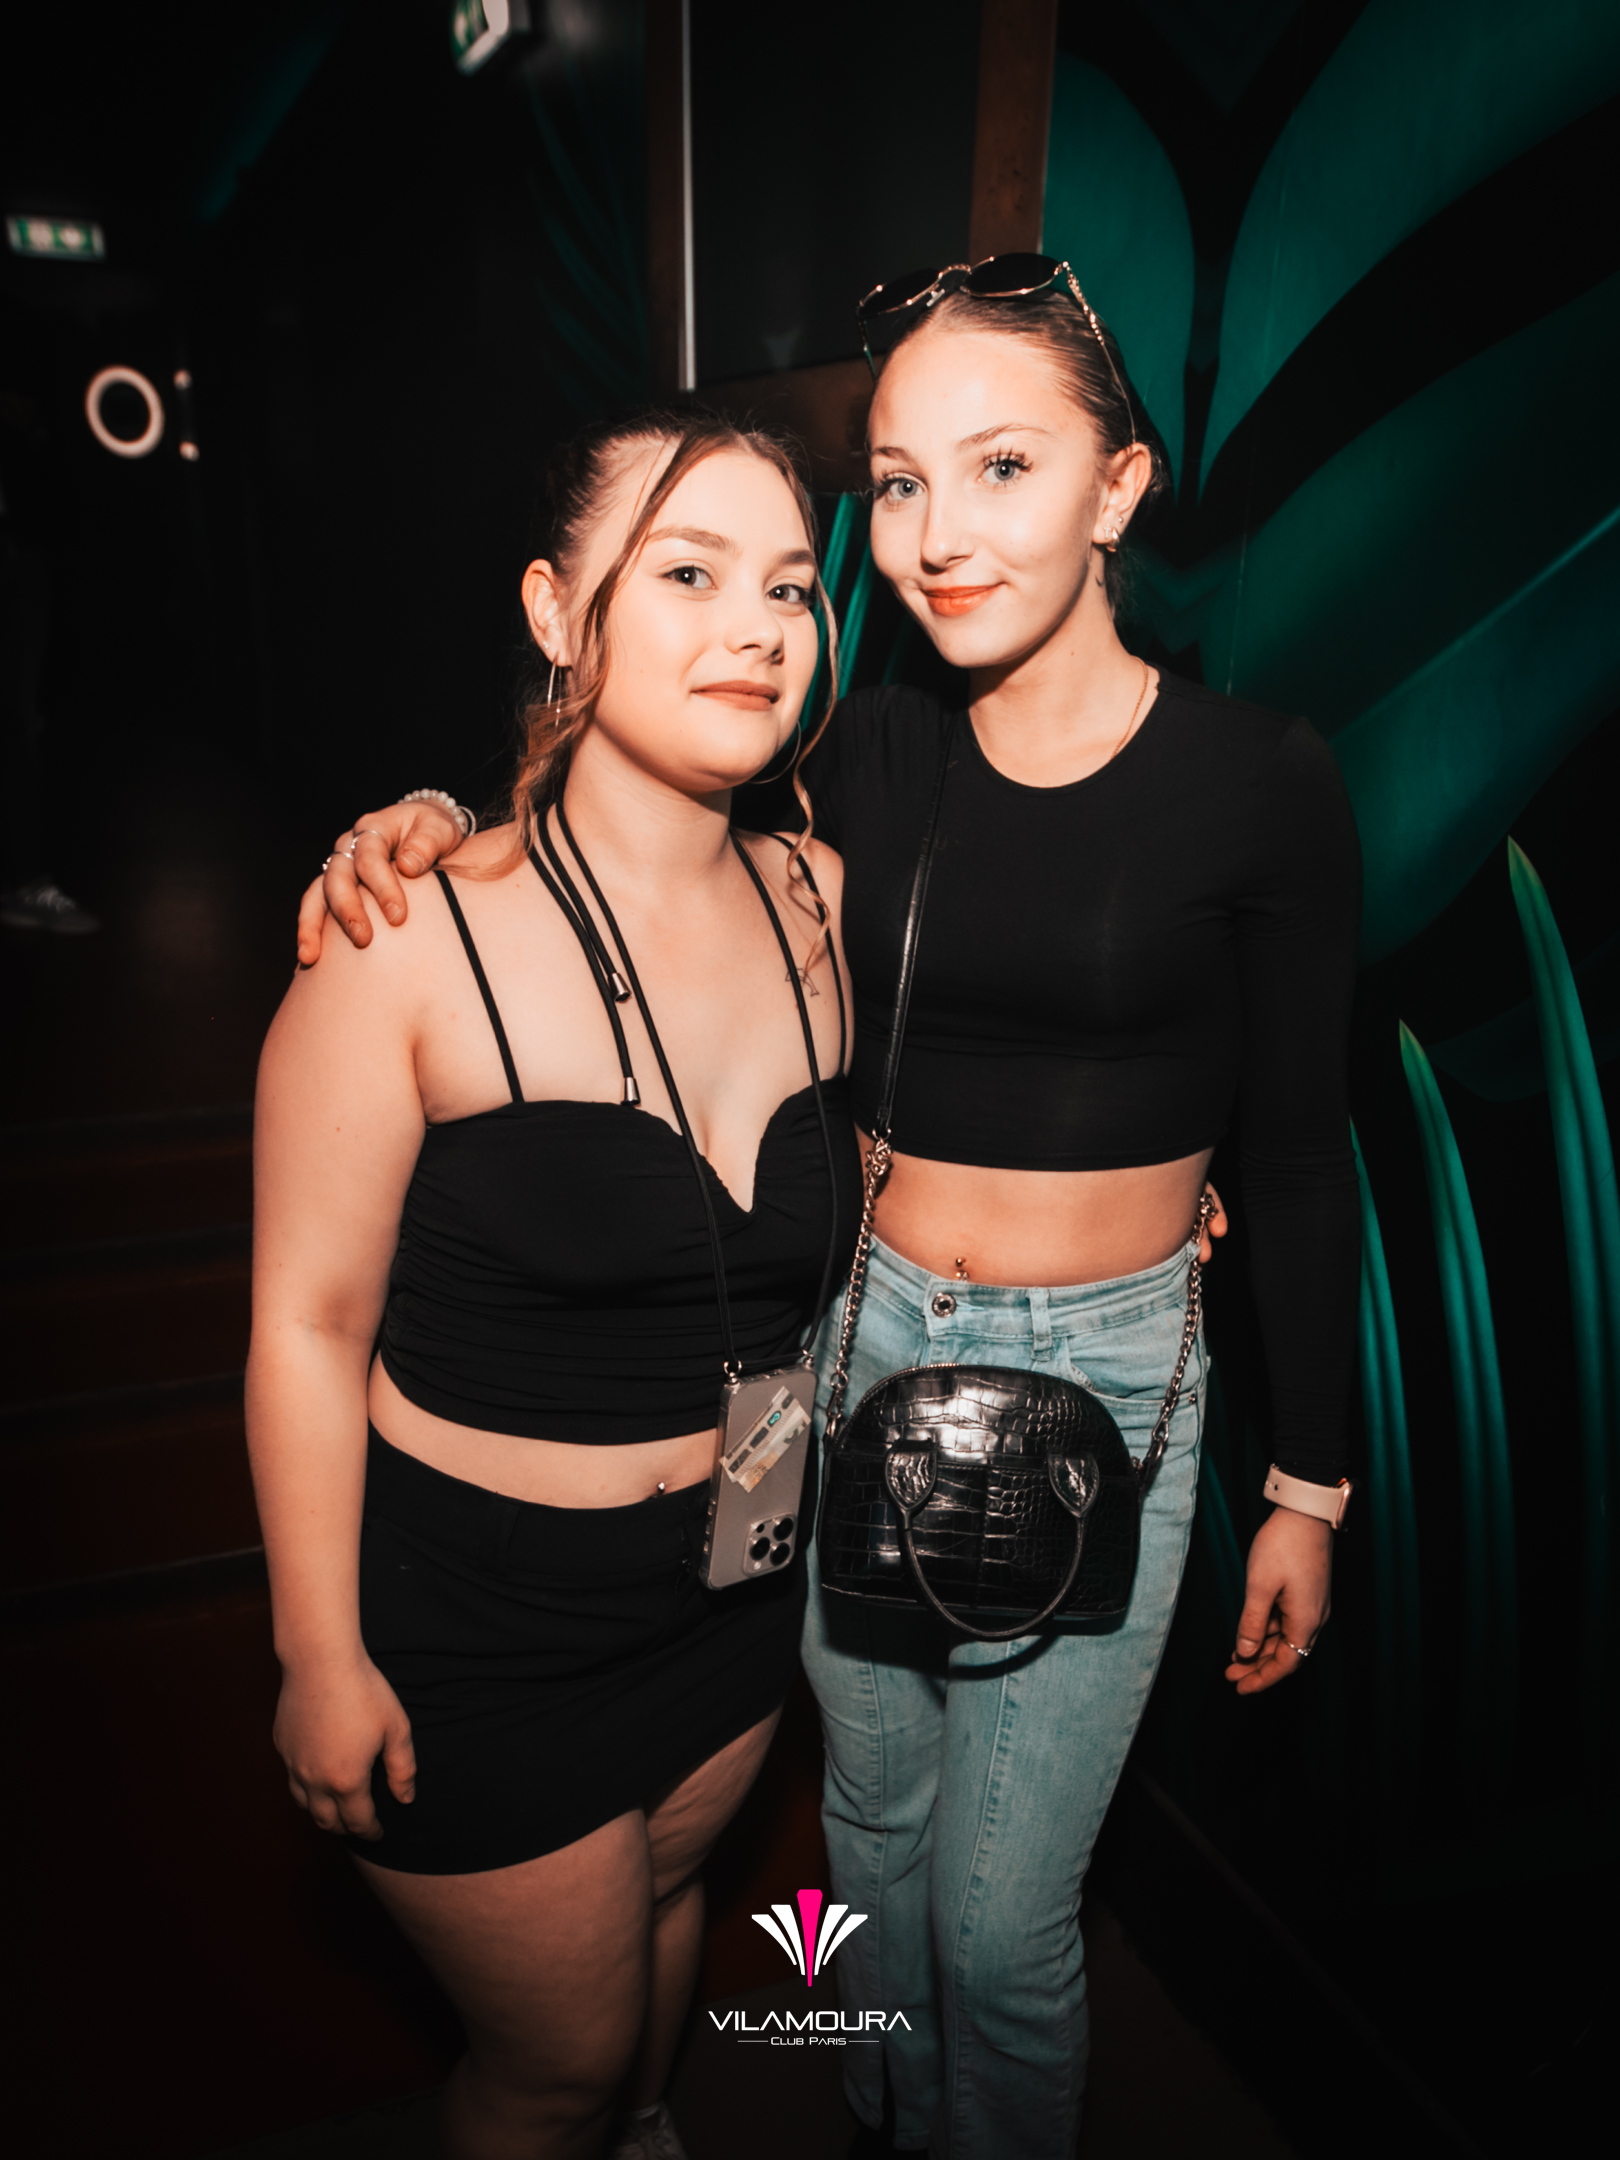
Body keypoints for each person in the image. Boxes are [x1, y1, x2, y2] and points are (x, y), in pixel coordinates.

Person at [304, 258, 1361, 2160]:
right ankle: (875, 2103)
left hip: (1107, 1374)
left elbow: (1292, 1148)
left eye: (1004, 466)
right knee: (865, 1838)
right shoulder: (866, 757)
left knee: (1001, 1920)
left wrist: (1313, 1482)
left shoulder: (1259, 783)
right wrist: (423, 823)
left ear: (1121, 485)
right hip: (854, 1356)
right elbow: (630, 823)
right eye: (897, 484)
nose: (940, 535)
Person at [248, 409, 860, 2160]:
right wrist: (316, 1653)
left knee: (663, 1928)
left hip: (737, 1587)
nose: (757, 628)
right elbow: (307, 1325)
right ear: (552, 609)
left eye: (791, 588)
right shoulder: (405, 937)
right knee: (554, 2067)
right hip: (478, 1634)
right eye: (689, 575)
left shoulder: (824, 898)